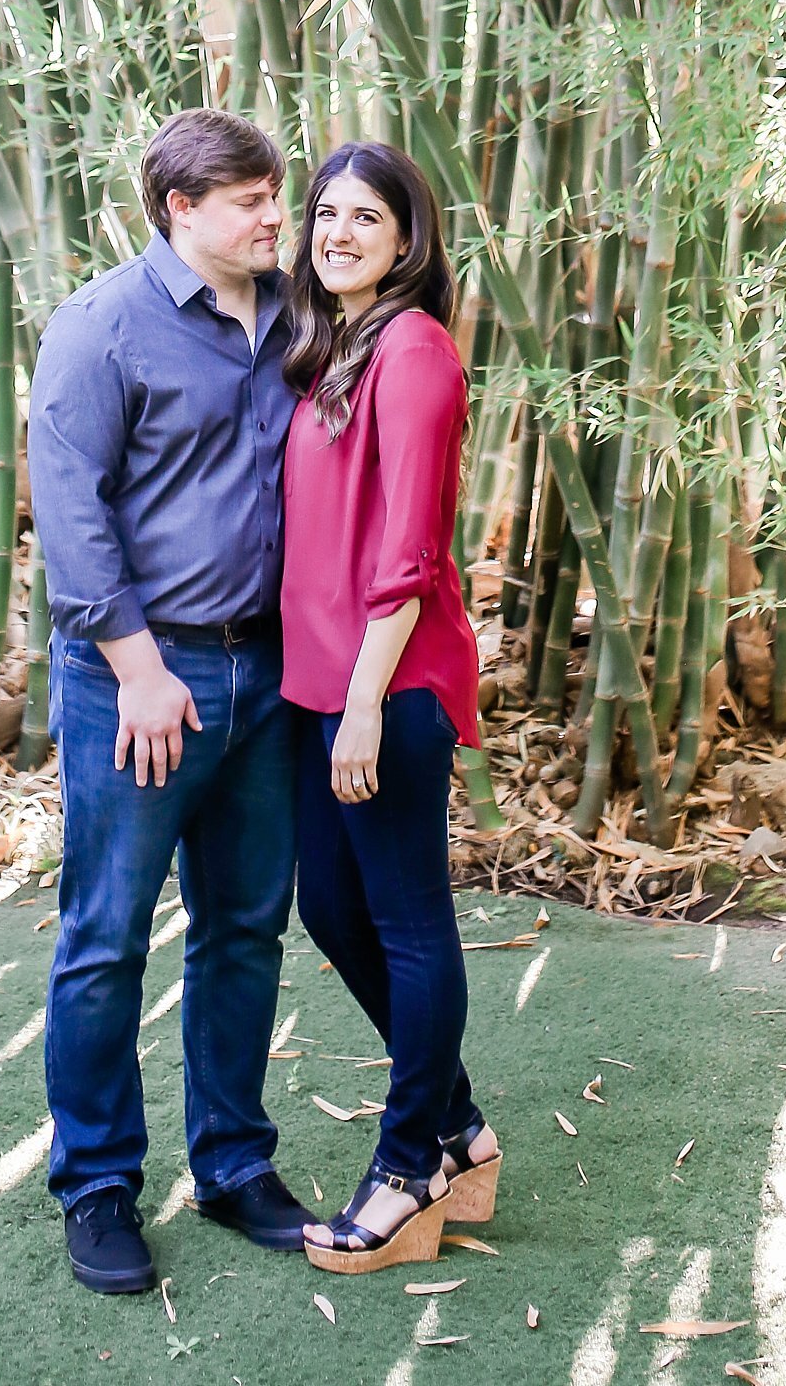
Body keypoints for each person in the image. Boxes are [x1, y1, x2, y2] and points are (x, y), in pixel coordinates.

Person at [27, 108, 310, 1295]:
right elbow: (71, 512)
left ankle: (235, 1165)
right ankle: (96, 1185)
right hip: (140, 679)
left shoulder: (299, 314)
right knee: (105, 940)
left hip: (269, 670)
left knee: (244, 930)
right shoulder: (102, 325)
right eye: (247, 200)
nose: (271, 216)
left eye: (272, 194)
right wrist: (140, 673)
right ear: (177, 208)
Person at [279, 139, 502, 1273]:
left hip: (388, 682)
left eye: (366, 216)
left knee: (409, 922)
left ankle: (407, 1169)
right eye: (324, 213)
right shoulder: (333, 347)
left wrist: (365, 702)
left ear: (408, 239)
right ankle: (457, 1127)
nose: (339, 233)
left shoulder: (412, 352)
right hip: (324, 685)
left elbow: (408, 552)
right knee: (330, 907)